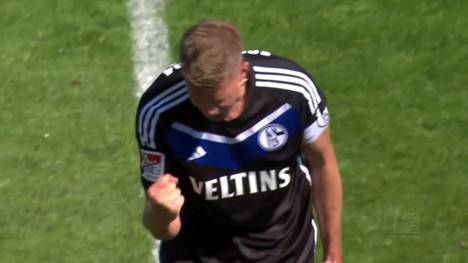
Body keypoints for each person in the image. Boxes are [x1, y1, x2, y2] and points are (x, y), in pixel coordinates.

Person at [135, 19, 343, 263]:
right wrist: (160, 213)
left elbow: (321, 163)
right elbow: (163, 230)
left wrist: (333, 251)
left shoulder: (292, 92)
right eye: (199, 101)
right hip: (199, 253)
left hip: (285, 250)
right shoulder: (159, 113)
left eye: (219, 103)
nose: (209, 113)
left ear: (243, 73)